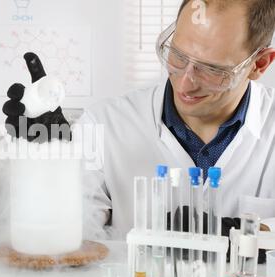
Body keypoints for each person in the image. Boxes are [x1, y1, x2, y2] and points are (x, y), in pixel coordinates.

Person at [78, 0, 275, 238]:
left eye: (212, 69)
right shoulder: (102, 125)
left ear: (259, 64)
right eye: (178, 55)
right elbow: (72, 240)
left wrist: (246, 232)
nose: (185, 84)